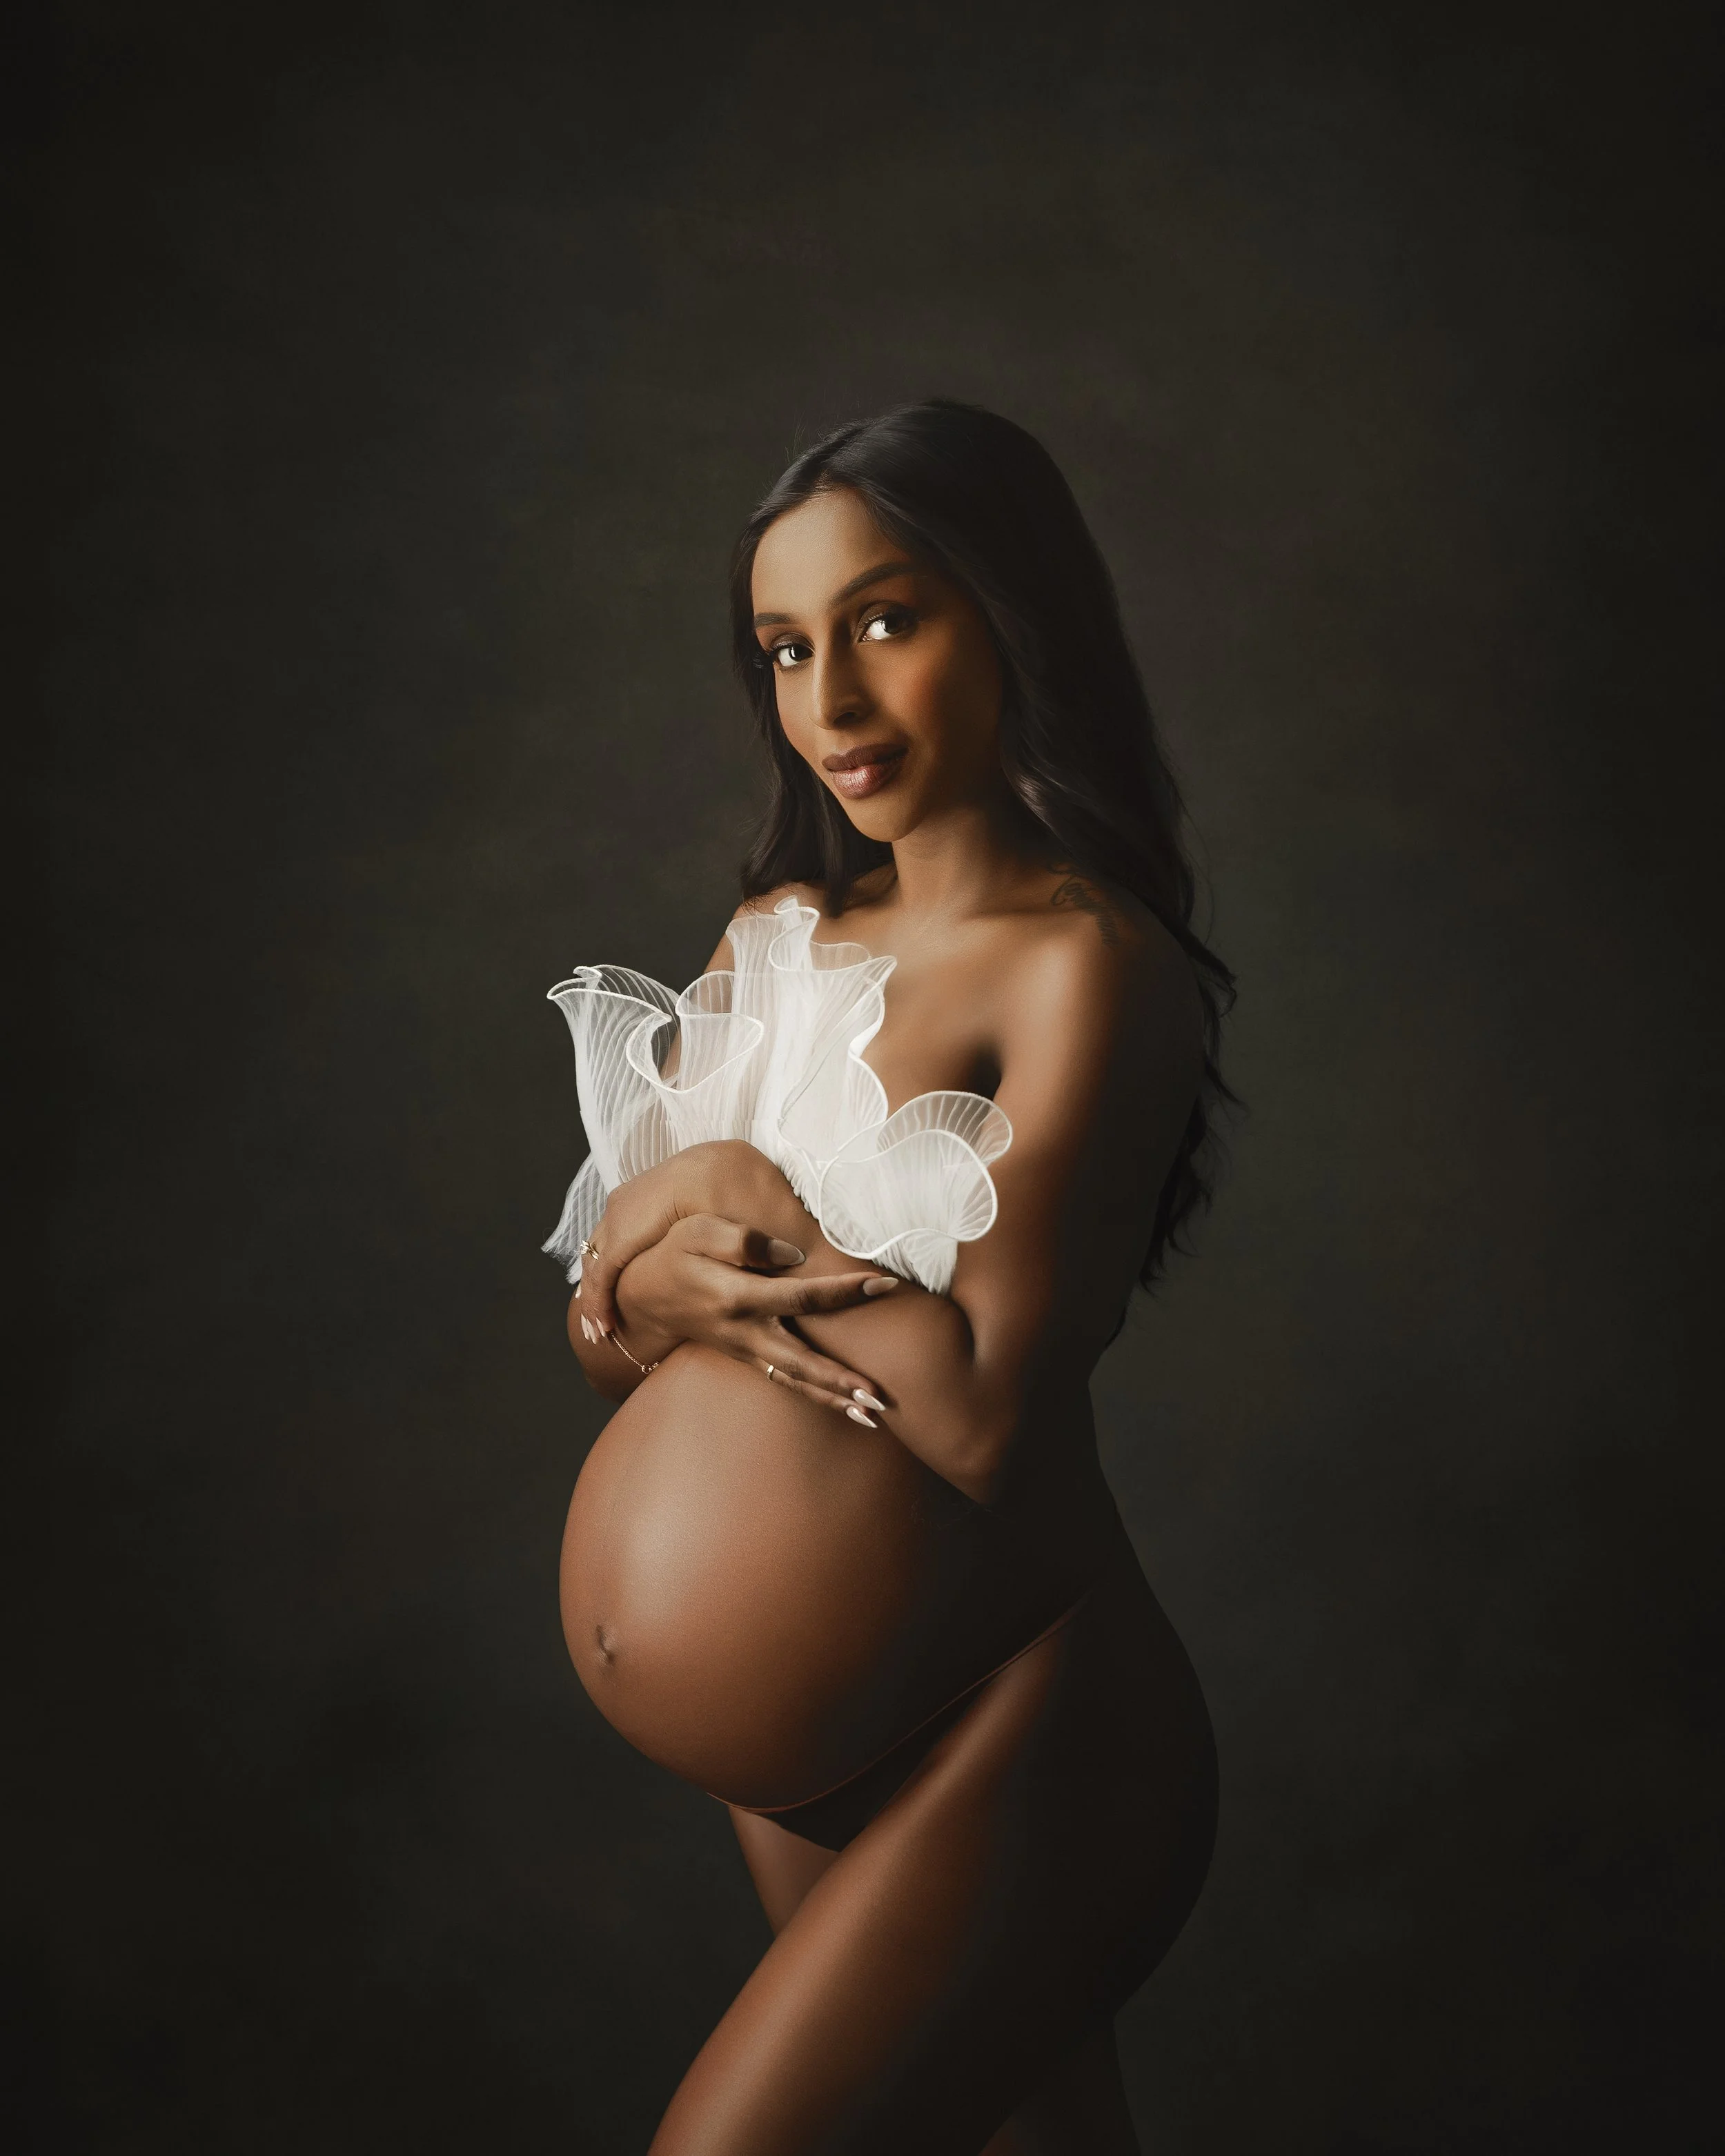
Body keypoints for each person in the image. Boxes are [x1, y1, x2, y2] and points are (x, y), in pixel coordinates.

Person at [545, 400, 1234, 2155]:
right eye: (786, 648)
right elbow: (608, 1329)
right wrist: (659, 1250)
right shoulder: (772, 938)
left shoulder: (1088, 966)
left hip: (1020, 1719)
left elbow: (985, 1413)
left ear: (1011, 611)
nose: (829, 704)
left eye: (883, 618)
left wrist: (729, 1204)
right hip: (813, 1741)